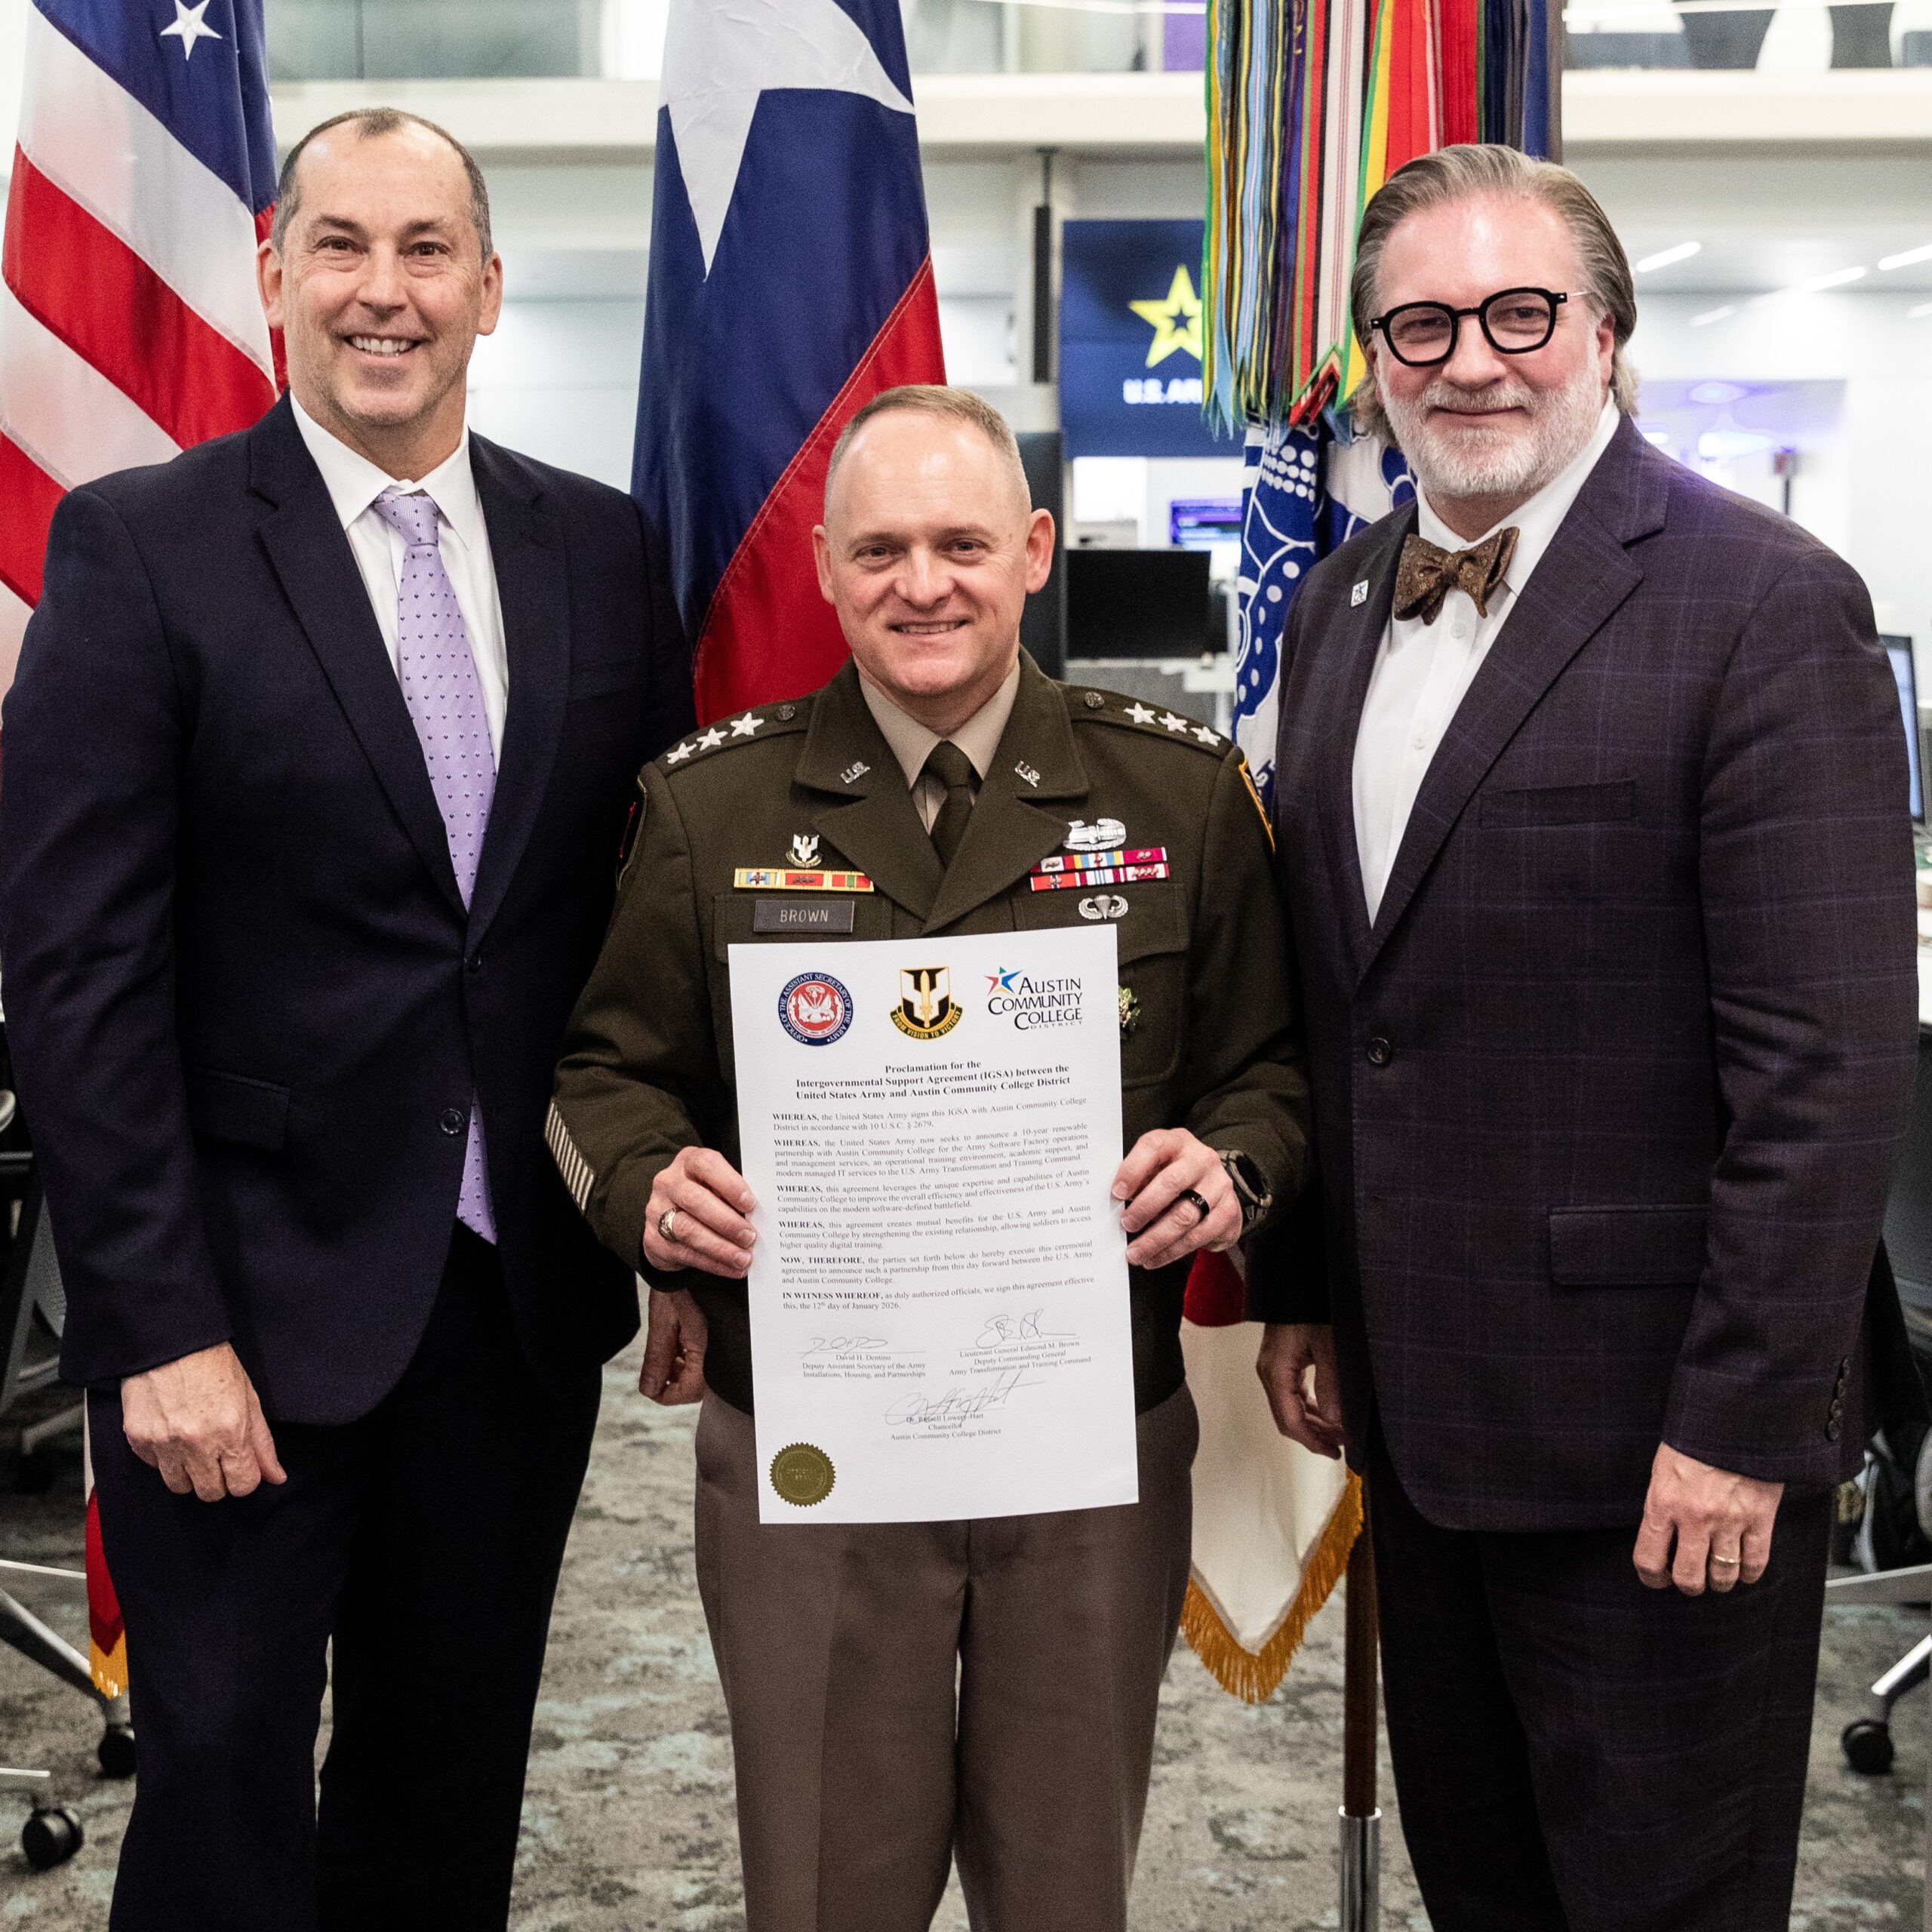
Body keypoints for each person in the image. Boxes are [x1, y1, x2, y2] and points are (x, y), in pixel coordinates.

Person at [0, 109, 689, 1929]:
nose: (383, 292)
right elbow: (77, 971)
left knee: (443, 1785)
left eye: (423, 250)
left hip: (510, 1308)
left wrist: (670, 1221)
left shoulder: (602, 550)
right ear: (272, 274)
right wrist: (153, 1326)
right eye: (342, 247)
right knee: (220, 1783)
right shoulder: (141, 547)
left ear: (483, 284)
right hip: (236, 1318)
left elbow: (647, 935)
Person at [1250, 142, 1919, 1931]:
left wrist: (1740, 1423)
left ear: (1606, 334)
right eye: (1418, 323)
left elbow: (1826, 1067)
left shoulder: (1760, 601)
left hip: (1657, 1444)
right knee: (1488, 1890)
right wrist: (1307, 1279)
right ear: (1371, 357)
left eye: (1517, 311)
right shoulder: (1333, 606)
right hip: (1419, 1405)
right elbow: (1346, 1003)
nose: (1467, 359)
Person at [548, 384, 1311, 1931]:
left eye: (961, 541)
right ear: (822, 567)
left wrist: (1231, 1169)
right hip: (812, 1450)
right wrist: (651, 1192)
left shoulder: (1177, 792)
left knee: (1064, 1885)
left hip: (1087, 1437)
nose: (922, 583)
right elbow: (601, 1073)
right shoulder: (711, 804)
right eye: (880, 547)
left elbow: (1272, 1071)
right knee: (827, 1882)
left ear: (1032, 550)